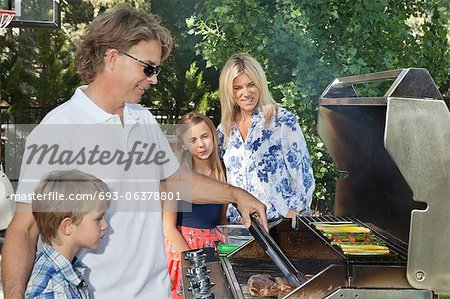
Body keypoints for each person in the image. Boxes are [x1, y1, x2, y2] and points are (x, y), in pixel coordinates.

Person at [1, 7, 267, 299]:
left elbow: (175, 181)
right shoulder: (58, 130)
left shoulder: (143, 119)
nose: (153, 79)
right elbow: (24, 230)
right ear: (112, 58)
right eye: (148, 68)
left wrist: (236, 194)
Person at [217, 53, 315, 223]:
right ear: (229, 91)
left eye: (251, 85)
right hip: (239, 227)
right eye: (237, 87)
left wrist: (290, 216)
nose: (245, 93)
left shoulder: (282, 121)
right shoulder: (224, 130)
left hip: (277, 225)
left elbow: (303, 176)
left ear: (260, 84)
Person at [163, 112, 227, 299]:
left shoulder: (222, 171)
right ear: (184, 144)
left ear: (213, 136)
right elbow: (168, 227)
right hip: (184, 249)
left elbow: (222, 219)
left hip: (213, 250)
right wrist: (192, 260)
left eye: (205, 136)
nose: (201, 144)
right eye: (193, 140)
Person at [25, 170, 110, 299]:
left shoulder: (63, 272)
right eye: (98, 219)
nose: (105, 225)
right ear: (68, 226)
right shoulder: (55, 287)